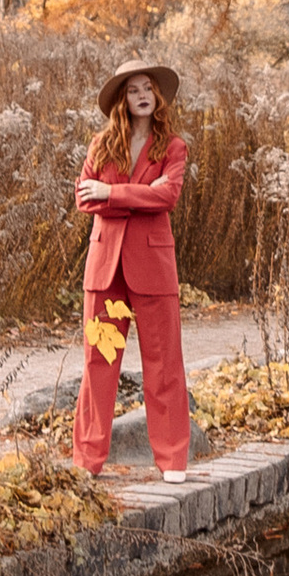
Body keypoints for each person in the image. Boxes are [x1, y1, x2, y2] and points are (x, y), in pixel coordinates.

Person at [74, 61, 191, 481]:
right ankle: (87, 460)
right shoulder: (101, 144)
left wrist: (112, 193)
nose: (142, 94)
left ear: (157, 97)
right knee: (98, 363)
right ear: (121, 100)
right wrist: (141, 195)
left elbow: (169, 196)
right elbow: (83, 199)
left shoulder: (172, 147)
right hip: (105, 267)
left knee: (164, 363)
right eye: (132, 89)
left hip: (154, 268)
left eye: (148, 88)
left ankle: (173, 458)